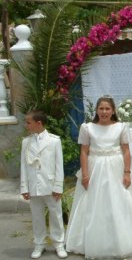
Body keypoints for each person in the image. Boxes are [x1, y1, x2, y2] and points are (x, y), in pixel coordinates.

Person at [65, 96, 132, 259]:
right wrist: (85, 174)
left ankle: (122, 240)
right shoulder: (87, 127)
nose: (104, 112)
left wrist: (127, 172)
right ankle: (93, 241)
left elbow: (126, 150)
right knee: (94, 204)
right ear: (97, 110)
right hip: (95, 167)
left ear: (113, 111)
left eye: (107, 109)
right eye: (101, 109)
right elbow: (84, 151)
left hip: (116, 167)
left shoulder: (121, 127)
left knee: (119, 202)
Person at [20, 109, 67, 259]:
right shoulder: (26, 142)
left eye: (28, 122)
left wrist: (58, 186)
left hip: (50, 184)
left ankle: (59, 243)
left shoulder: (54, 140)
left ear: (38, 123)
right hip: (34, 185)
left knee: (56, 215)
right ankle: (39, 244)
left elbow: (59, 166)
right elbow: (23, 166)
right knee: (37, 216)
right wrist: (24, 187)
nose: (26, 125)